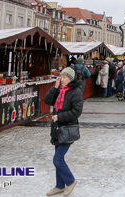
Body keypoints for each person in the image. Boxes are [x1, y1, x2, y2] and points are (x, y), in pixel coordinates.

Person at [43, 67, 83, 196]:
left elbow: (77, 112)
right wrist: (54, 87)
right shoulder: (59, 90)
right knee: (59, 159)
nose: (62, 79)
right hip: (57, 129)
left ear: (70, 79)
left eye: (64, 77)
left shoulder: (76, 92)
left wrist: (60, 117)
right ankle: (60, 185)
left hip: (67, 129)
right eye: (61, 77)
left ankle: (70, 181)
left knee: (57, 160)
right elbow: (47, 101)